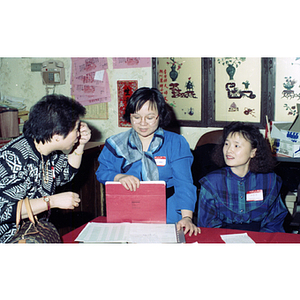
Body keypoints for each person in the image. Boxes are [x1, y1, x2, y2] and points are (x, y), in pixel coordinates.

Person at [96, 87, 200, 236]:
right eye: (136, 117)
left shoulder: (176, 142)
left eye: (150, 117)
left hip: (168, 207)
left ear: (159, 116)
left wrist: (187, 217)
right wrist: (119, 177)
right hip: (127, 207)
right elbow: (102, 172)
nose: (142, 123)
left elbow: (183, 182)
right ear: (129, 116)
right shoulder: (116, 143)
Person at [0, 94, 91, 243]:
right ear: (56, 135)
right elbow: (4, 210)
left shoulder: (45, 148)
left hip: (31, 232)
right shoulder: (13, 158)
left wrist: (80, 143)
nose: (78, 133)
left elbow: (66, 172)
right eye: (76, 129)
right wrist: (51, 201)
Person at [197, 121, 288, 232]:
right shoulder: (211, 182)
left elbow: (275, 221)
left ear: (253, 152)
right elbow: (207, 225)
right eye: (226, 144)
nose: (229, 150)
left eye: (236, 145)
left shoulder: (270, 181)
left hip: (260, 240)